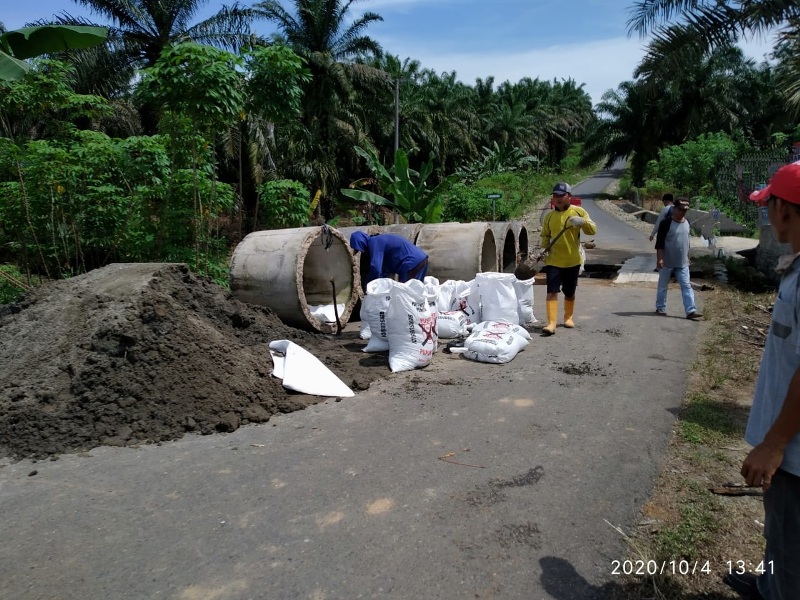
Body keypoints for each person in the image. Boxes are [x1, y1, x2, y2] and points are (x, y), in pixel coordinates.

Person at [725, 162, 800, 600]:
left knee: (790, 545)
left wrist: (773, 445)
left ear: (786, 211)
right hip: (787, 451)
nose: (766, 212)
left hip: (791, 453)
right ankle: (769, 584)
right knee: (782, 533)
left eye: (769, 203)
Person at [540, 182, 597, 336]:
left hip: (572, 260)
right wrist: (543, 249)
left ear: (569, 196)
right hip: (553, 260)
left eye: (561, 195)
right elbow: (545, 235)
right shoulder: (549, 216)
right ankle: (551, 323)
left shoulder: (578, 212)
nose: (557, 198)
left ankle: (568, 317)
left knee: (569, 292)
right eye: (555, 195)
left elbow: (593, 230)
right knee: (552, 291)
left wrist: (583, 223)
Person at [654, 198, 702, 319]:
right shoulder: (665, 223)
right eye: (681, 210)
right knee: (663, 286)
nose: (683, 212)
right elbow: (659, 243)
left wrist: (688, 256)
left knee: (686, 286)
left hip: (682, 262)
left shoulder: (687, 222)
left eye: (685, 210)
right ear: (674, 208)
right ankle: (660, 307)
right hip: (667, 262)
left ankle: (691, 310)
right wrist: (659, 259)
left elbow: (686, 242)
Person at [349, 231, 428, 287]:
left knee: (405, 292)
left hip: (411, 263)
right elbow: (384, 270)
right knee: (417, 290)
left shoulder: (374, 242)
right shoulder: (378, 241)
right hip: (421, 259)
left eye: (359, 248)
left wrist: (369, 285)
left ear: (361, 242)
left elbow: (376, 268)